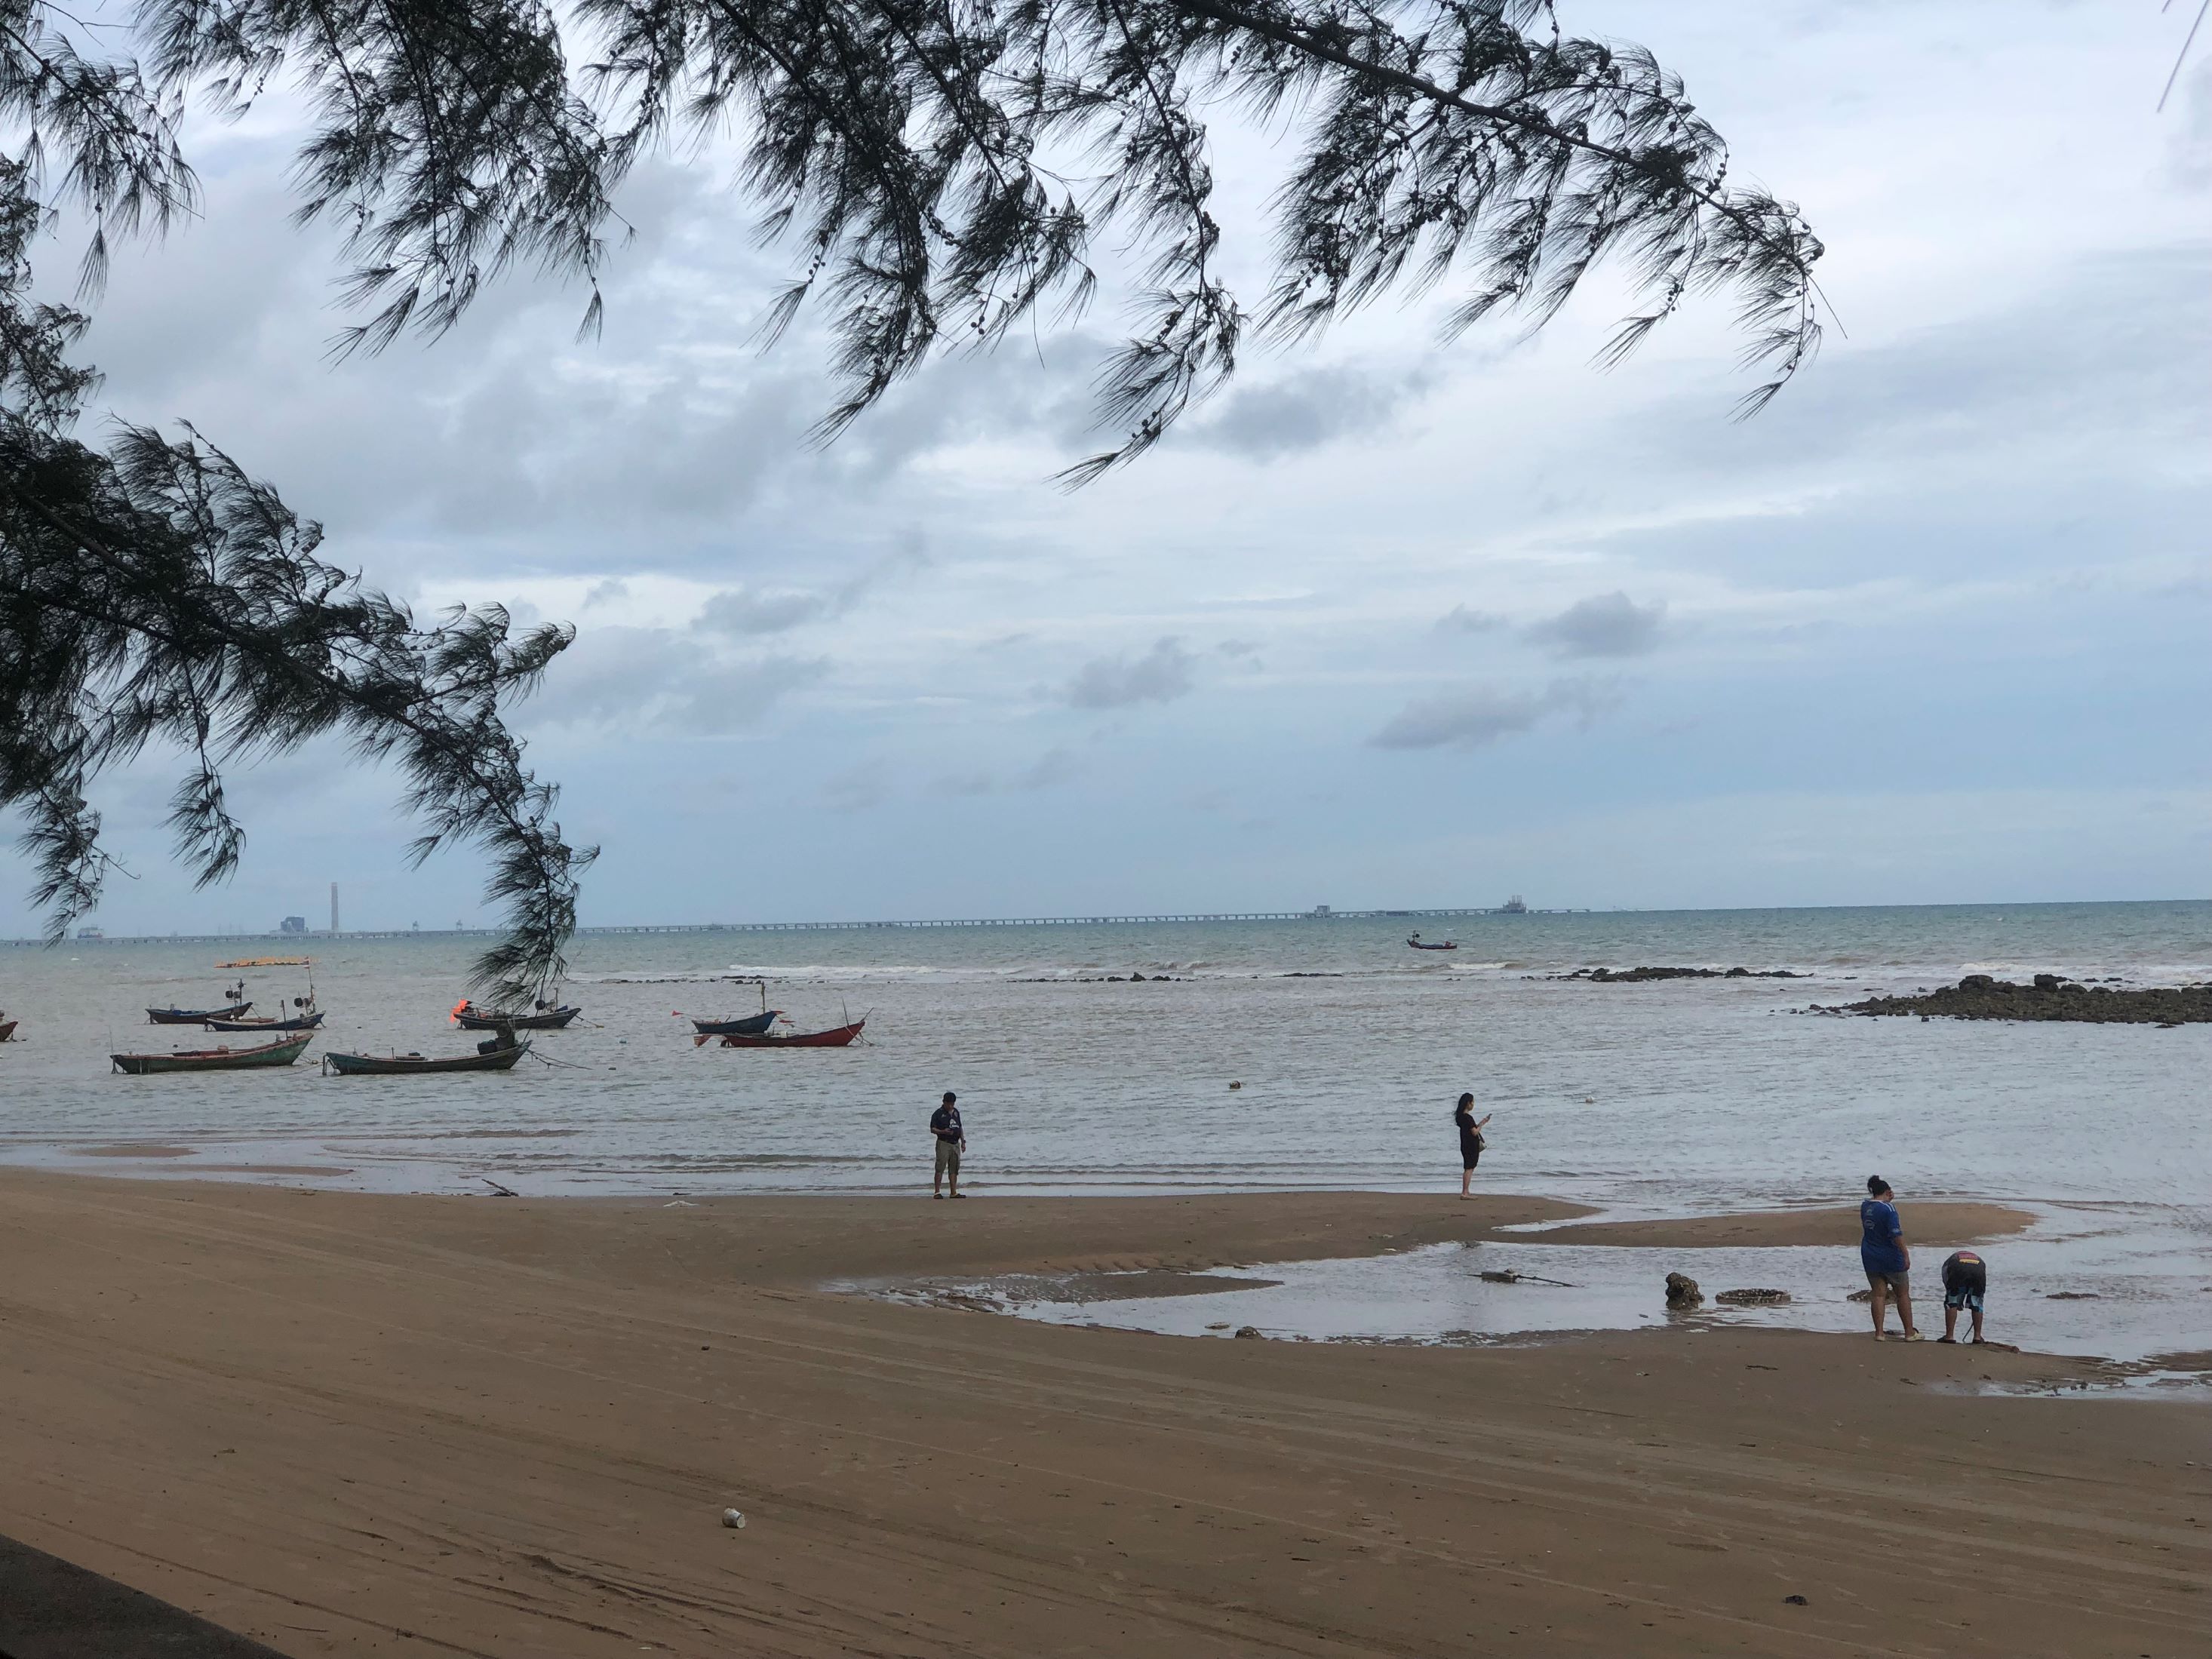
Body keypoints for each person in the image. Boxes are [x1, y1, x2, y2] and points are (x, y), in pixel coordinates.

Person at [1860, 1176, 1922, 1341]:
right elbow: (1895, 1234)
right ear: (1888, 1192)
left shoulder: (1865, 1206)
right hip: (1890, 1256)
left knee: (1878, 1294)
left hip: (1870, 1254)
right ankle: (1909, 1332)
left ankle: (1879, 1333)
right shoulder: (1889, 1209)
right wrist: (1905, 1253)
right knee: (1902, 1294)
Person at [1938, 1249, 1987, 1344]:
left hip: (1958, 1269)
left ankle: (1949, 1336)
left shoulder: (1948, 1263)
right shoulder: (1980, 1260)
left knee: (1951, 1301)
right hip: (1979, 1271)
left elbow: (1947, 1283)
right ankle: (1977, 1336)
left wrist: (1957, 1302)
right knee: (1977, 1303)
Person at [1454, 1093, 1492, 1199]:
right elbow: (1475, 1132)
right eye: (1472, 1102)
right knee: (1469, 1168)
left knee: (1468, 1168)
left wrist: (1481, 1123)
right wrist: (1481, 1125)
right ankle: (1465, 1192)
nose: (1473, 1104)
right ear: (1468, 1103)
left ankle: (1465, 1191)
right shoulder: (1468, 1118)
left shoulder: (1461, 1117)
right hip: (1471, 1146)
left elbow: (1471, 1129)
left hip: (1465, 1145)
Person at [929, 1091, 966, 1200]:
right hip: (943, 1143)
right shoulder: (938, 1113)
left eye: (952, 1104)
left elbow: (960, 1127)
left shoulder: (956, 1112)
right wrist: (943, 1131)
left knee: (954, 1168)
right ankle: (937, 1192)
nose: (950, 1106)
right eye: (948, 1104)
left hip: (955, 1143)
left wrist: (963, 1141)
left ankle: (953, 1192)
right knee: (940, 1167)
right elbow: (932, 1129)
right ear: (944, 1102)